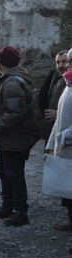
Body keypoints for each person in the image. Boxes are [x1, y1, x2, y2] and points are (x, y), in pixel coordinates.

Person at [0, 45, 37, 227]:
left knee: (14, 174)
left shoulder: (12, 82)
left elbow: (15, 113)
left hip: (12, 137)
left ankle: (19, 212)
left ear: (2, 61)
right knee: (3, 172)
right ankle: (7, 206)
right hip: (4, 138)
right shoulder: (6, 80)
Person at [47, 58, 72, 237]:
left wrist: (65, 136)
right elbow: (60, 118)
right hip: (64, 148)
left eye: (70, 62)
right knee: (68, 193)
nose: (68, 65)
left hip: (69, 145)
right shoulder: (67, 84)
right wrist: (51, 145)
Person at [38, 50, 69, 144]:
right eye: (58, 62)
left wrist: (58, 114)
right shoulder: (56, 76)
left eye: (64, 61)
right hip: (52, 129)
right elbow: (43, 97)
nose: (60, 65)